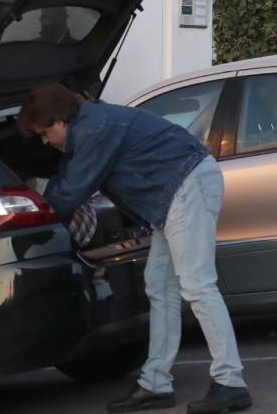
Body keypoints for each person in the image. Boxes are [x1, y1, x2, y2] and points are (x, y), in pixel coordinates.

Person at [17, 83, 251, 414]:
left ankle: (231, 383)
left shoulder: (94, 130)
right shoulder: (88, 124)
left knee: (198, 285)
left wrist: (34, 221)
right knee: (160, 285)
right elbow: (67, 179)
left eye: (43, 134)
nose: (45, 142)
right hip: (171, 195)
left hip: (185, 185)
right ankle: (156, 383)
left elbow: (71, 192)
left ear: (58, 121)